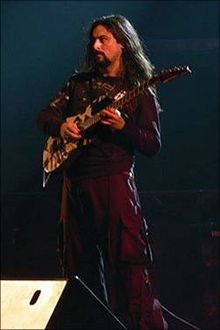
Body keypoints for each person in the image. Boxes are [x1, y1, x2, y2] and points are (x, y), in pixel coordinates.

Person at [37, 14, 168, 330]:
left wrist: (124, 128)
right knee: (78, 270)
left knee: (128, 266)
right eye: (93, 40)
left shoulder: (138, 90)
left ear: (122, 43)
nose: (95, 45)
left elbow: (152, 144)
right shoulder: (76, 85)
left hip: (114, 183)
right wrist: (63, 125)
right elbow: (45, 115)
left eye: (103, 39)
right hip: (75, 185)